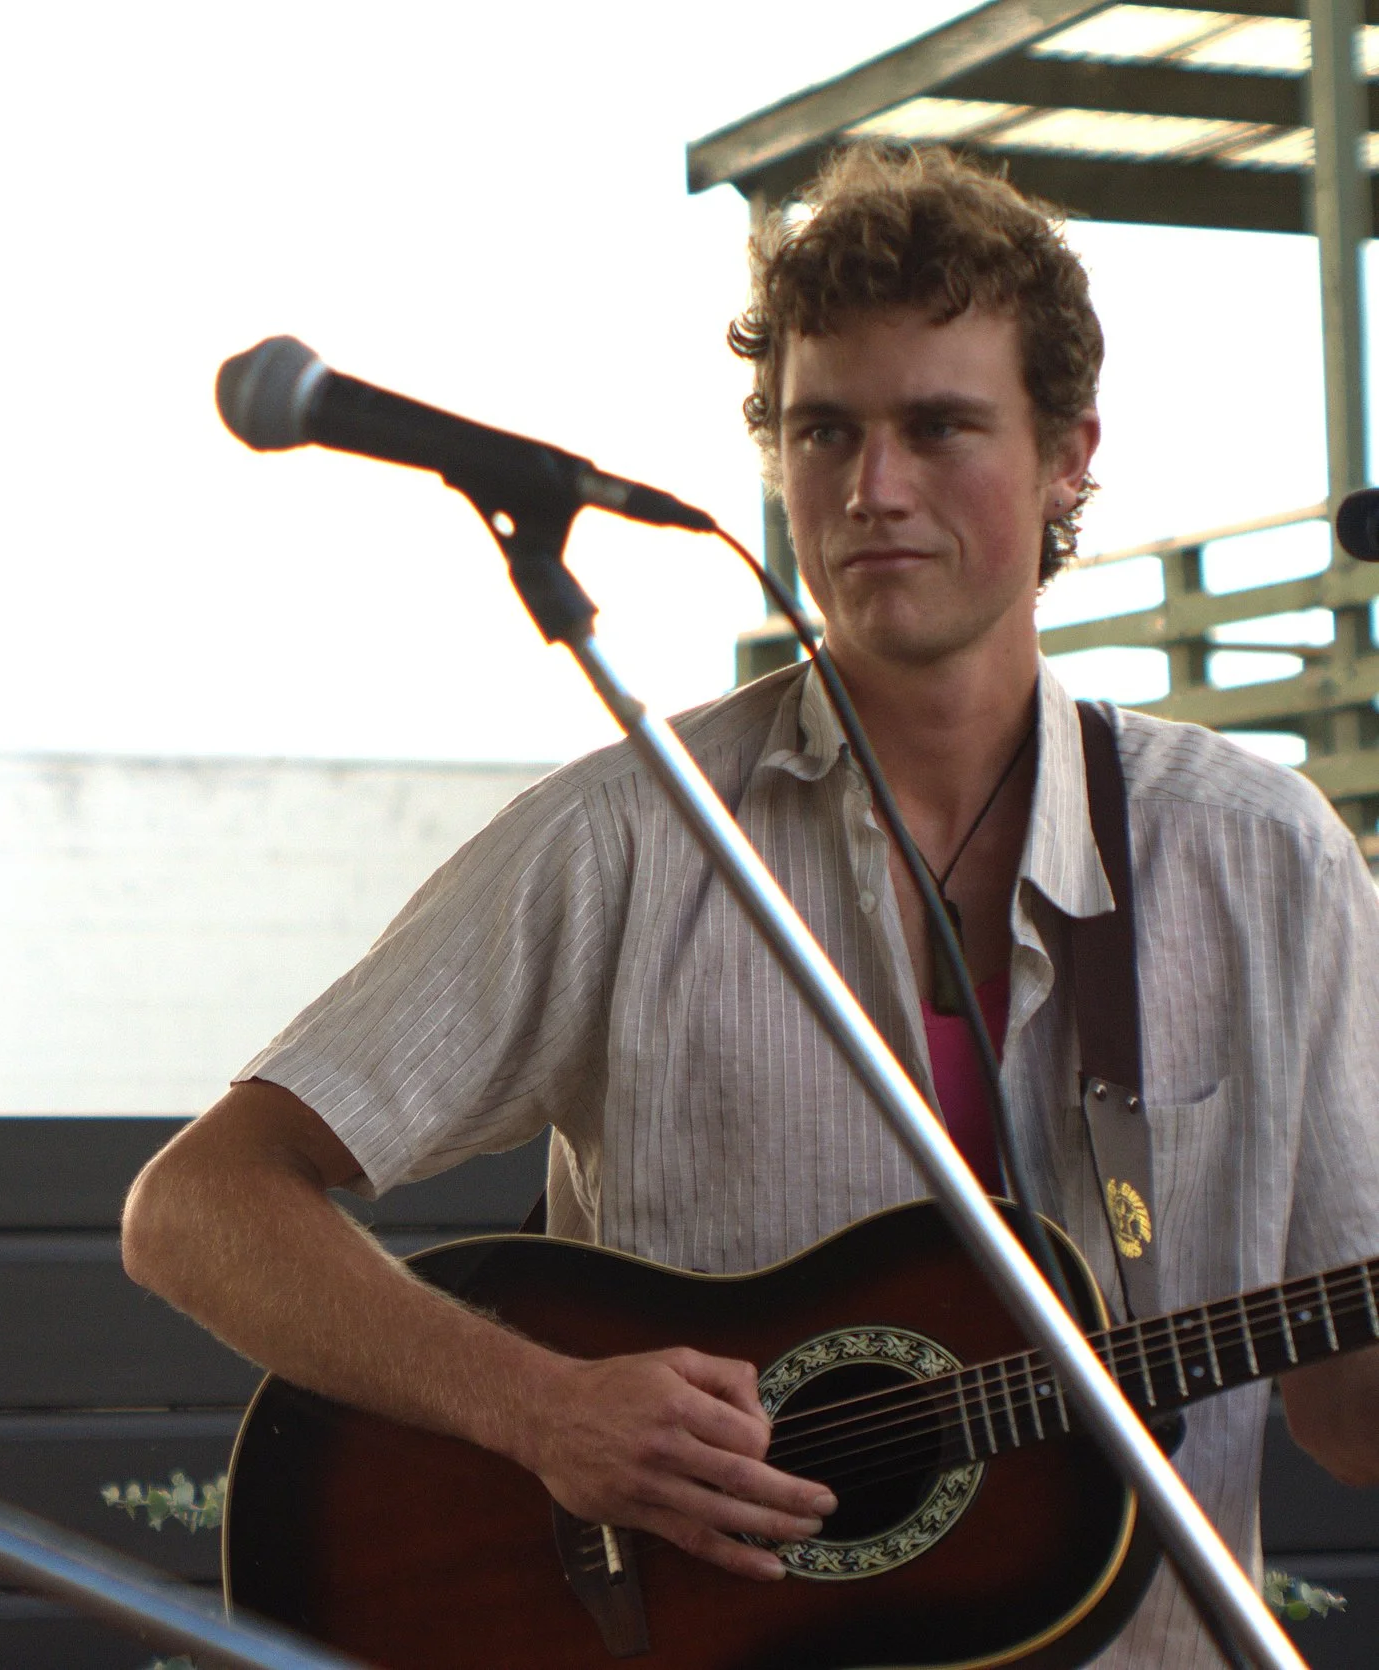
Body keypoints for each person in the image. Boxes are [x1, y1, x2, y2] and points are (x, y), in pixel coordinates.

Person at [121, 143, 1379, 1666]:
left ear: (1068, 455)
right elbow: (199, 1205)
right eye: (823, 430)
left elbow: (1348, 1415)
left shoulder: (1263, 861)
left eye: (939, 427)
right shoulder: (636, 838)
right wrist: (544, 1409)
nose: (872, 490)